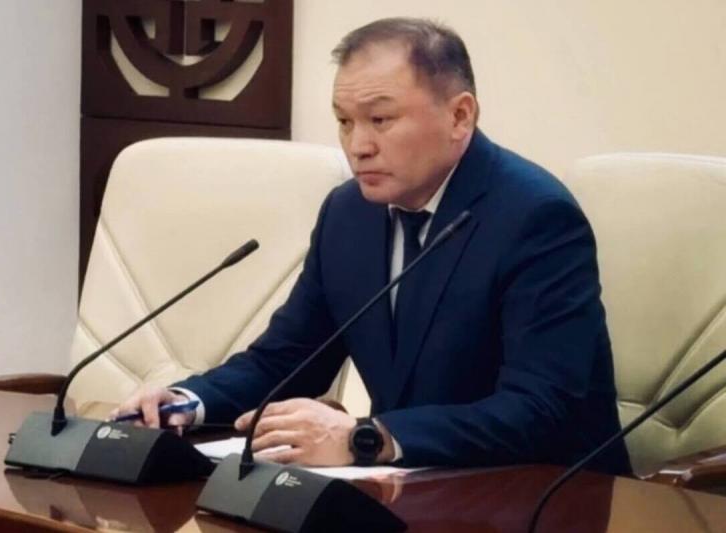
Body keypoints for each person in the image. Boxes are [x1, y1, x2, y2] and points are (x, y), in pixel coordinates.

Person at [112, 17, 631, 475]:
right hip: (412, 491)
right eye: (344, 121)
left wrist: (368, 437)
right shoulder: (349, 214)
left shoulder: (536, 218)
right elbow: (287, 359)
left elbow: (539, 410)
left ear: (460, 117)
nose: (358, 146)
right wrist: (186, 402)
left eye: (380, 120)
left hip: (546, 497)